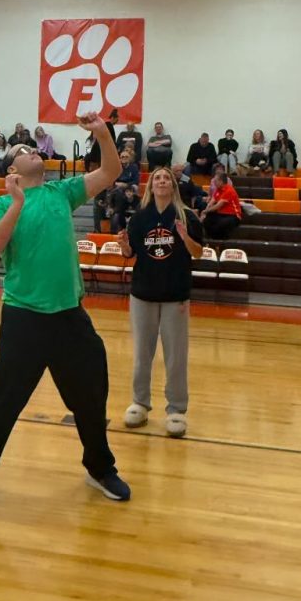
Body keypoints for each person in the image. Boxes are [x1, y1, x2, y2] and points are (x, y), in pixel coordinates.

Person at [0, 113, 131, 512]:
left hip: (69, 315)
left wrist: (103, 134)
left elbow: (111, 170)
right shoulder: (1, 204)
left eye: (34, 147)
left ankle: (100, 467)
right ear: (13, 169)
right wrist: (16, 202)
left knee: (90, 394)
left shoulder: (62, 191)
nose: (34, 150)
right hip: (23, 318)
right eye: (24, 150)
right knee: (3, 403)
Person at [118, 166, 204, 439]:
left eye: (167, 178)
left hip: (174, 295)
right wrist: (123, 245)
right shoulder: (140, 218)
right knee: (143, 354)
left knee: (176, 356)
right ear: (151, 186)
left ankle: (176, 410)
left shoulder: (186, 216)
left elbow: (198, 253)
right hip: (142, 294)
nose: (162, 181)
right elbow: (130, 253)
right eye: (158, 178)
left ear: (173, 186)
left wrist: (184, 236)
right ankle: (140, 403)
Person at [200, 171, 242, 240]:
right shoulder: (218, 190)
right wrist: (205, 212)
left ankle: (220, 241)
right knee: (207, 220)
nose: (214, 183)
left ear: (221, 181)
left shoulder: (229, 190)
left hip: (233, 215)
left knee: (221, 224)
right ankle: (210, 240)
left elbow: (218, 206)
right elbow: (211, 202)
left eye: (215, 181)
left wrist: (205, 211)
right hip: (221, 214)